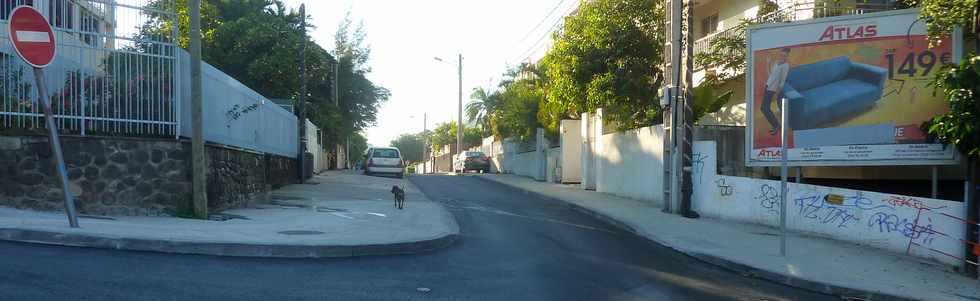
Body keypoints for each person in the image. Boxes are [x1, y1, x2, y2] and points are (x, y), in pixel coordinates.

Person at [762, 47, 791, 136]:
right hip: (767, 86)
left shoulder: (786, 65)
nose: (782, 56)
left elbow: (782, 80)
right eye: (781, 54)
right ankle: (776, 126)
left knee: (764, 108)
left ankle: (776, 126)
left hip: (773, 89)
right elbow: (770, 74)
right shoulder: (776, 63)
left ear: (787, 56)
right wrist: (768, 63)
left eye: (785, 55)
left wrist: (777, 92)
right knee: (764, 108)